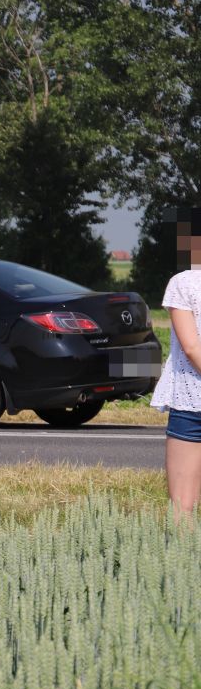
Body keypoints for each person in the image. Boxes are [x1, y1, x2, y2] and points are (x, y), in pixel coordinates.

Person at [153, 208, 201, 524]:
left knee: (183, 505)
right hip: (191, 400)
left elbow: (192, 346)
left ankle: (184, 570)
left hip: (192, 400)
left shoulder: (183, 284)